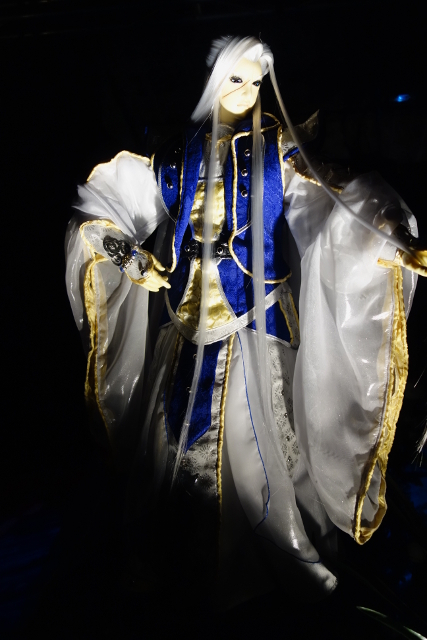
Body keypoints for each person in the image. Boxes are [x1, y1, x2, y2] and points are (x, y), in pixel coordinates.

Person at [65, 36, 426, 606]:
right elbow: (106, 204)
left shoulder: (278, 153)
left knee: (259, 452)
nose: (248, 92)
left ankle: (270, 557)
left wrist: (385, 232)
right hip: (186, 324)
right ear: (214, 81)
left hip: (255, 324)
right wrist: (127, 254)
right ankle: (178, 559)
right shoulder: (174, 154)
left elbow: (331, 199)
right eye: (237, 79)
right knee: (171, 452)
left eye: (257, 82)